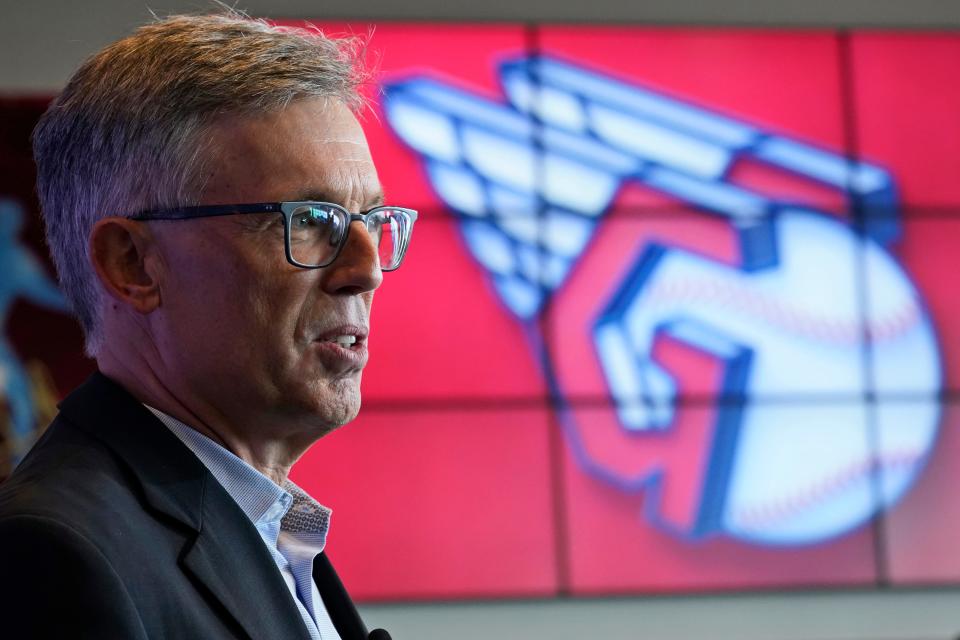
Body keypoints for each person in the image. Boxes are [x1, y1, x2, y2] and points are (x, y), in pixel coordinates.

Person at [0, 12, 416, 640]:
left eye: (371, 218)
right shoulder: (54, 556)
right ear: (133, 264)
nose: (366, 271)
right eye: (310, 219)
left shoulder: (274, 530)